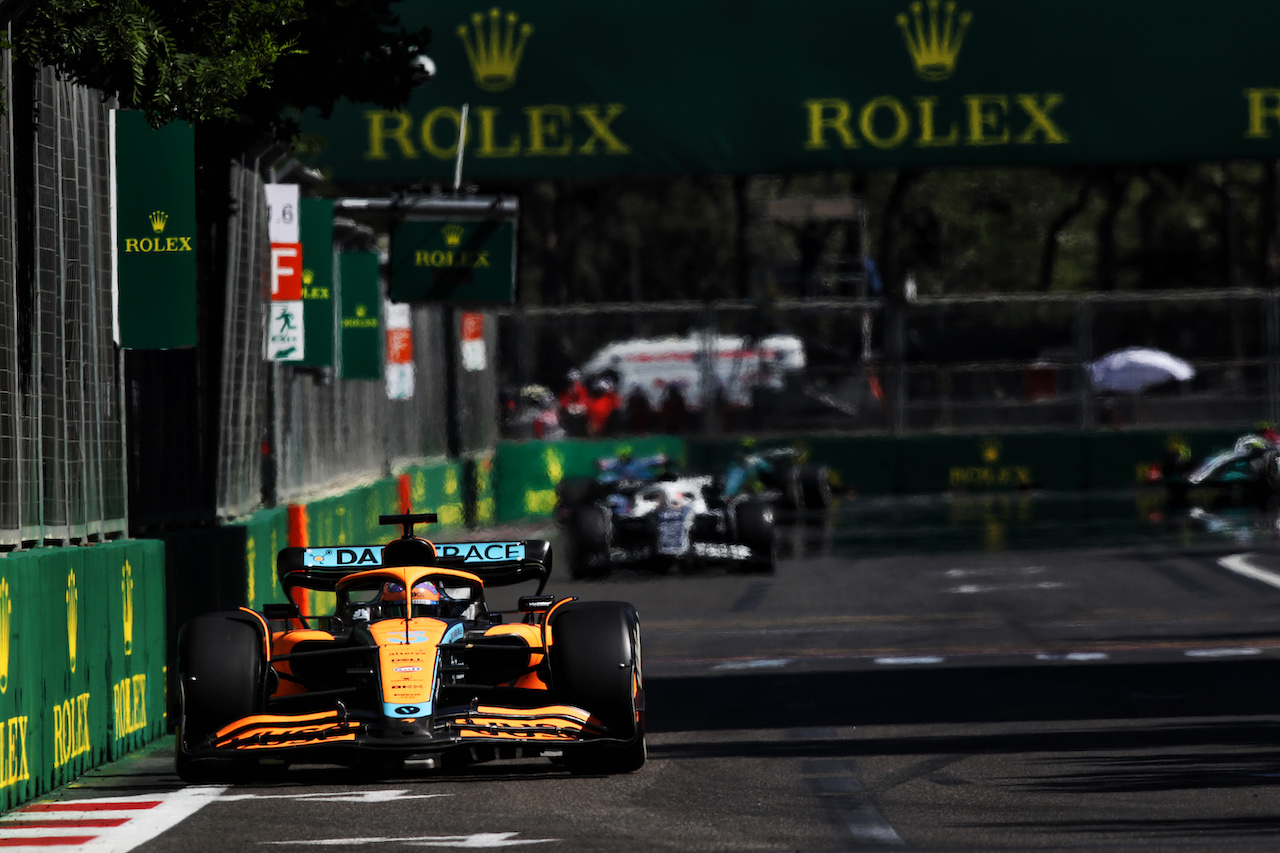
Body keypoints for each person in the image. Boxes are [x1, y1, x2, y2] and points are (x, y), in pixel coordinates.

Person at [558, 369, 589, 437]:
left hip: (581, 419)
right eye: (572, 382)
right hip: (569, 419)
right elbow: (563, 404)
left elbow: (585, 404)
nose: (574, 384)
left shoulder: (583, 391)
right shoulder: (566, 393)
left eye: (576, 381)